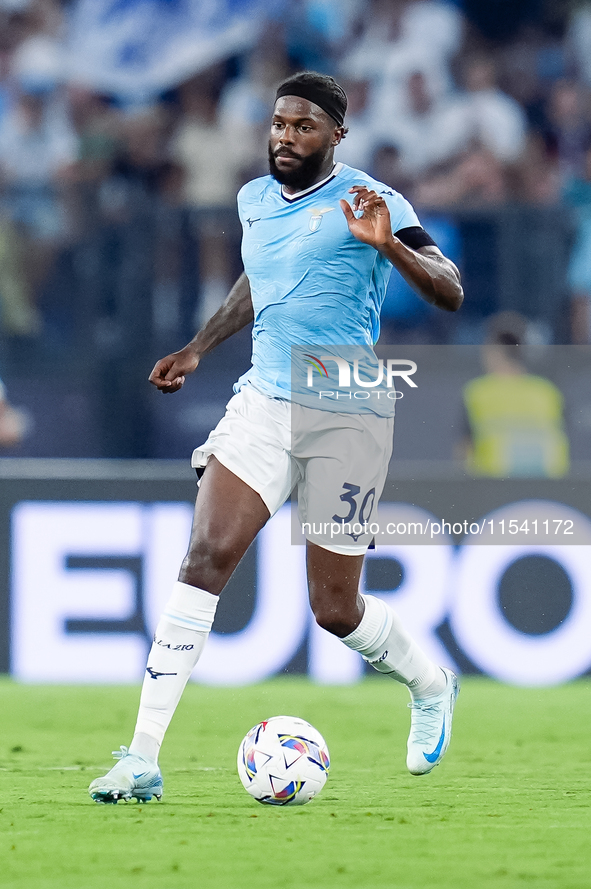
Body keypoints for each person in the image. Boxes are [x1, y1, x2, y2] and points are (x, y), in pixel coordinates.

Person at [89, 71, 464, 804]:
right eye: (278, 125)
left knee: (335, 610)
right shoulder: (254, 199)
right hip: (262, 400)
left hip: (345, 408)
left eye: (302, 128)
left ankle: (430, 682)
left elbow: (449, 289)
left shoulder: (371, 200)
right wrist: (199, 346)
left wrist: (387, 247)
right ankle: (139, 758)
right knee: (205, 556)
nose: (285, 138)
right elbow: (258, 281)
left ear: (335, 135)